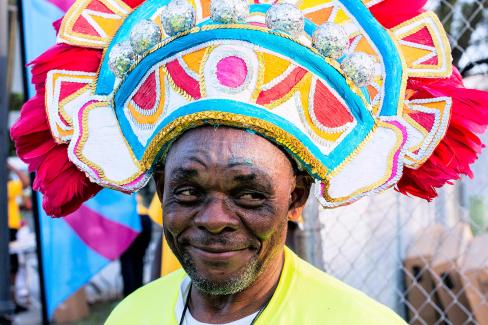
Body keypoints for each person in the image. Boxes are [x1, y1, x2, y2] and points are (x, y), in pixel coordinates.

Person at [10, 0, 488, 323]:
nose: (214, 220)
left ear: (296, 199)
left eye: (250, 194)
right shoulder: (132, 314)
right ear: (159, 187)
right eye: (189, 191)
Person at [7, 162, 29, 313]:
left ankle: (12, 301)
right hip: (8, 230)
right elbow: (26, 182)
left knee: (13, 267)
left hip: (11, 229)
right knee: (12, 268)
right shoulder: (7, 187)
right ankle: (11, 301)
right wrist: (10, 166)